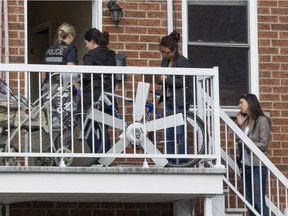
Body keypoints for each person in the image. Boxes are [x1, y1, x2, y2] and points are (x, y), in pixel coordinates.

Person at [157, 31, 193, 165]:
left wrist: (167, 79)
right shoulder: (164, 61)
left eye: (166, 52)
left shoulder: (183, 62)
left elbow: (183, 82)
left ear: (174, 50)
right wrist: (160, 80)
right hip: (167, 99)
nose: (164, 55)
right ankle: (171, 159)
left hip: (179, 100)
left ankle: (183, 160)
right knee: (168, 132)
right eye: (162, 52)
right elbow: (165, 79)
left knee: (179, 131)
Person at [82, 28, 117, 154]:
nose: (86, 45)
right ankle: (106, 158)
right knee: (103, 129)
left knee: (87, 128)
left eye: (86, 42)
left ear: (92, 41)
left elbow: (86, 76)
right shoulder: (110, 55)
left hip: (93, 96)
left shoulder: (90, 56)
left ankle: (97, 156)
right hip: (108, 97)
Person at [236, 93, 271, 216]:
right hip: (245, 166)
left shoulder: (262, 120)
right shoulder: (245, 121)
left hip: (257, 167)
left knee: (258, 202)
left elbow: (264, 144)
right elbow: (238, 140)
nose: (239, 106)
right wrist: (239, 125)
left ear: (250, 104)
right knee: (249, 202)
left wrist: (246, 143)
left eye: (241, 103)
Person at [42, 22, 80, 95]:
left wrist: (43, 89)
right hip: (64, 91)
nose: (73, 39)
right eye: (73, 36)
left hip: (49, 90)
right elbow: (71, 71)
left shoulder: (49, 50)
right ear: (69, 36)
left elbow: (43, 74)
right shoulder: (70, 49)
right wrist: (78, 91)